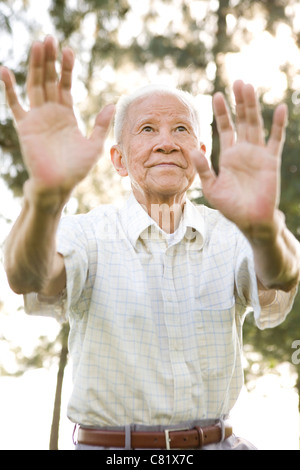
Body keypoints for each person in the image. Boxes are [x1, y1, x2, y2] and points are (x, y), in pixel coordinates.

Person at [2, 35, 300, 451]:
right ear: (119, 160)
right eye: (147, 129)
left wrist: (265, 227)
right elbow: (29, 274)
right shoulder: (87, 233)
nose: (166, 141)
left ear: (199, 154)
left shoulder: (233, 232)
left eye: (181, 129)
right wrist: (45, 198)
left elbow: (280, 276)